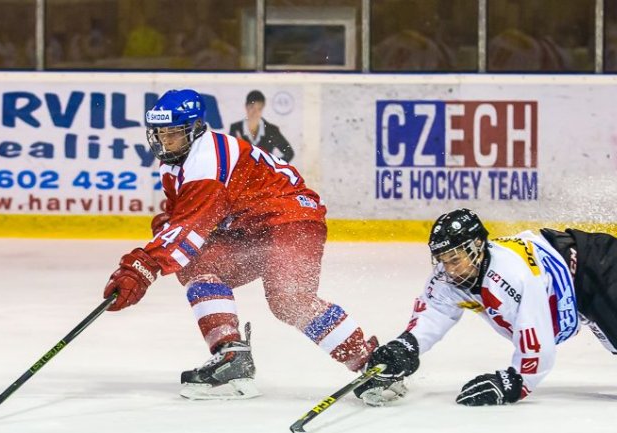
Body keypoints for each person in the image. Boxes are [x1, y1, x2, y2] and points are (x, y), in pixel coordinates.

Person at [103, 89, 376, 400]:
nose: (166, 141)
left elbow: (189, 227)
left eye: (174, 134)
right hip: (251, 228)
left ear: (194, 130)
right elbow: (181, 219)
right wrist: (163, 231)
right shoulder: (178, 161)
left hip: (291, 219)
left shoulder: (206, 163)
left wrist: (141, 268)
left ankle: (371, 364)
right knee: (196, 263)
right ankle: (231, 357)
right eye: (161, 133)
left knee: (289, 300)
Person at [356, 208, 617, 406]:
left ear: (477, 246)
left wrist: (515, 382)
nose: (448, 268)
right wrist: (406, 346)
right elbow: (436, 311)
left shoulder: (514, 275)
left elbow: (539, 342)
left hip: (599, 267)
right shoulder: (453, 274)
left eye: (454, 259)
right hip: (576, 289)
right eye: (443, 260)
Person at [228, 90, 294, 163]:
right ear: (246, 107)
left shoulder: (271, 130)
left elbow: (289, 153)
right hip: (244, 173)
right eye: (252, 107)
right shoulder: (235, 128)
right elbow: (228, 155)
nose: (255, 112)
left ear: (262, 108)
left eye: (259, 108)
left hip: (264, 174)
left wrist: (273, 167)